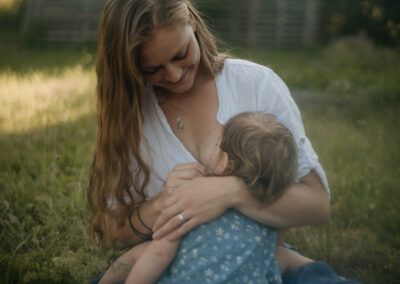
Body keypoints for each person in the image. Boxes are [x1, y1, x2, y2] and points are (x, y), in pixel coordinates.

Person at [87, 0, 338, 283]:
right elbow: (115, 233)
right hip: (171, 267)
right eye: (151, 69)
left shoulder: (255, 84)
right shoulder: (130, 117)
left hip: (251, 259)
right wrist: (162, 204)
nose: (174, 75)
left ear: (191, 20)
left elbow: (317, 206)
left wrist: (231, 192)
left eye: (181, 53)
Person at [125, 112, 311, 283]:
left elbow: (158, 255)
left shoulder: (193, 200)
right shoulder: (272, 214)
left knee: (135, 256)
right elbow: (275, 249)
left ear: (224, 161)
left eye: (217, 145)